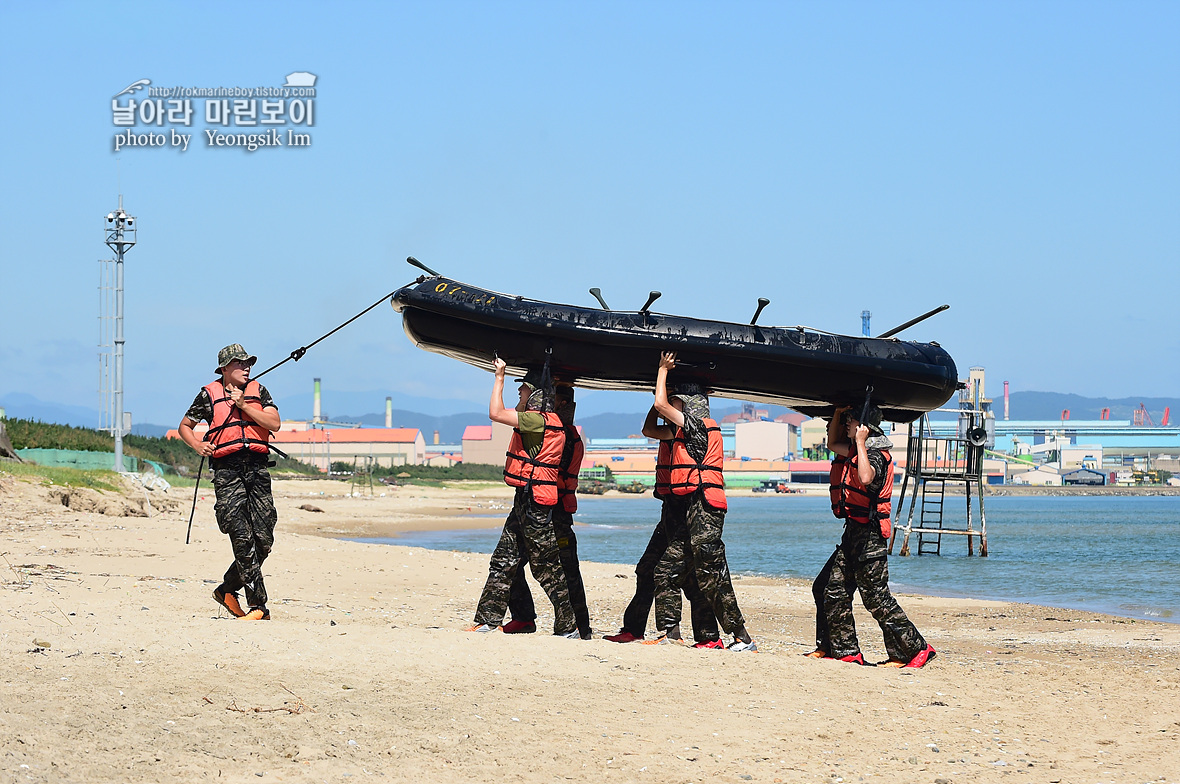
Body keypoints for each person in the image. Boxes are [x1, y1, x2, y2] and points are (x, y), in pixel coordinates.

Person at [808, 404, 936, 667]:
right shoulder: (857, 449)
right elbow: (833, 443)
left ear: (866, 428)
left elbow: (865, 478)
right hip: (853, 534)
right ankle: (844, 650)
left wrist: (861, 443)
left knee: (876, 597)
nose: (847, 424)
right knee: (829, 588)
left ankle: (916, 649)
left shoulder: (875, 455)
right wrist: (838, 413)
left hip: (871, 537)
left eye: (851, 420)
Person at [649, 351, 756, 651]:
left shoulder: (697, 427)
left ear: (691, 408)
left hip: (706, 513)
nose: (673, 406)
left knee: (712, 576)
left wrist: (662, 371)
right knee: (665, 571)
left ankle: (742, 637)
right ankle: (670, 634)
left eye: (678, 403)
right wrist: (664, 393)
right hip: (691, 511)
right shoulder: (685, 429)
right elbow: (653, 421)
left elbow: (660, 405)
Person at [468, 360, 578, 638]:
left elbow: (495, 412)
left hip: (537, 505)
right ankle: (488, 620)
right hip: (525, 499)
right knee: (503, 560)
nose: (520, 394)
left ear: (538, 396)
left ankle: (570, 626)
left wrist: (500, 377)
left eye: (524, 390)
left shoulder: (537, 419)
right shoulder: (536, 418)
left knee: (546, 568)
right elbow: (512, 412)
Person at [603, 401, 721, 648]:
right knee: (646, 570)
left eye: (674, 401)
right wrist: (656, 407)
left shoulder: (691, 433)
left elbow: (663, 407)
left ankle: (702, 636)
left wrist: (662, 398)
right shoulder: (669, 433)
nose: (667, 406)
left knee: (688, 578)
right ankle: (635, 629)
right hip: (669, 512)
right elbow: (648, 429)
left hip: (688, 516)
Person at [177, 344, 281, 621]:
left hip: (257, 469)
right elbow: (184, 426)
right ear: (224, 368)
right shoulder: (207, 395)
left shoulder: (258, 391)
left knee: (264, 540)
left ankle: (226, 589)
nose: (246, 368)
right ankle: (258, 606)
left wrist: (244, 405)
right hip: (227, 471)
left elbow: (274, 424)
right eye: (239, 363)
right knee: (241, 535)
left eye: (248, 363)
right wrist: (198, 445)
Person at [503, 383, 592, 638]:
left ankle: (580, 628)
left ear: (562, 405)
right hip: (541, 506)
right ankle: (523, 617)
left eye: (553, 401)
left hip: (556, 513)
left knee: (565, 569)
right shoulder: (554, 430)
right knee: (513, 562)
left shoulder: (562, 435)